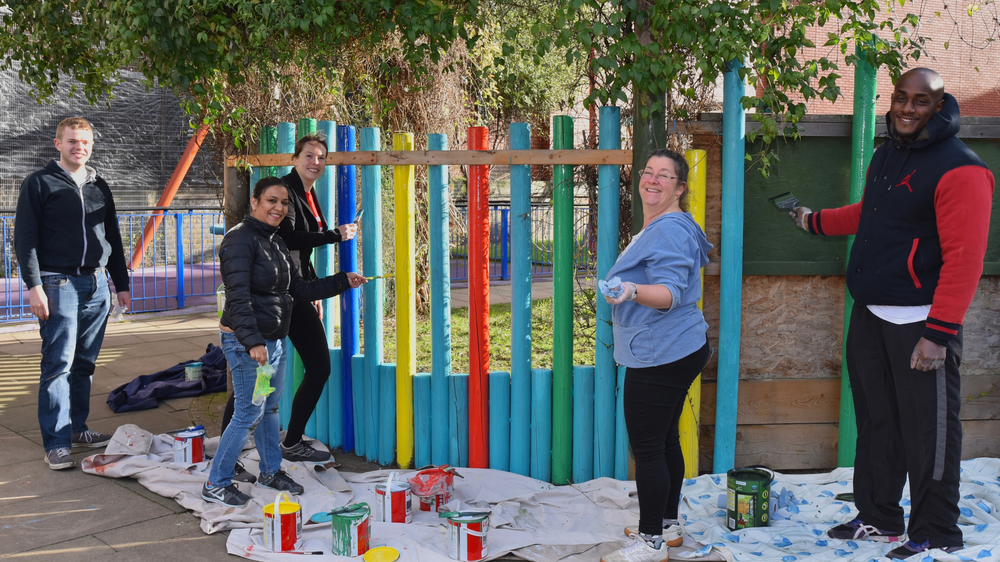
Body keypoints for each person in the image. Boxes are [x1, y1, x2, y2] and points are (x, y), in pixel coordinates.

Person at [792, 68, 994, 560]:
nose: (906, 108)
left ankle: (936, 530)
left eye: (920, 101)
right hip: (871, 316)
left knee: (931, 435)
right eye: (901, 98)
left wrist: (938, 334)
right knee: (877, 421)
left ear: (940, 105)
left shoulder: (961, 169)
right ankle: (880, 516)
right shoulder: (888, 154)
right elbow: (872, 213)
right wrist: (813, 221)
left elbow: (966, 259)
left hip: (921, 325)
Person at [203, 176, 366, 507]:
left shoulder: (275, 240)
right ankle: (216, 482)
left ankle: (270, 471)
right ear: (255, 202)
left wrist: (341, 282)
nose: (278, 207)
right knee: (248, 412)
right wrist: (251, 341)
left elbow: (299, 289)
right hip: (248, 341)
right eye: (271, 201)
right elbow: (237, 297)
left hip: (273, 340)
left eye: (283, 202)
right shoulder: (239, 241)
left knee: (270, 407)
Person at [601, 149, 713, 562]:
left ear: (679, 188)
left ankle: (650, 543)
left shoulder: (668, 230)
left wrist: (628, 291)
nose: (652, 179)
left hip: (661, 352)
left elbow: (669, 293)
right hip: (678, 346)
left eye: (664, 175)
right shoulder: (668, 224)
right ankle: (667, 526)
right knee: (664, 439)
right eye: (648, 172)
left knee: (647, 447)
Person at [220, 134, 357, 470]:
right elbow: (290, 238)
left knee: (305, 373)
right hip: (269, 304)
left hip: (291, 292)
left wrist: (315, 288)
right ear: (295, 159)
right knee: (254, 385)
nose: (316, 162)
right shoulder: (282, 193)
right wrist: (333, 235)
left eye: (321, 157)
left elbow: (295, 254)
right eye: (309, 155)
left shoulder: (307, 195)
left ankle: (291, 442)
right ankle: (228, 459)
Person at [15, 117, 131, 471]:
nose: (78, 146)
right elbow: (25, 239)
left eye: (84, 141)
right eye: (71, 141)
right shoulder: (39, 183)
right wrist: (34, 286)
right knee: (58, 364)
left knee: (84, 363)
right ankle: (57, 443)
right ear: (58, 144)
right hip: (57, 284)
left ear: (91, 146)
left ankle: (77, 428)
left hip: (96, 284)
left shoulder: (99, 184)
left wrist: (120, 284)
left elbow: (111, 234)